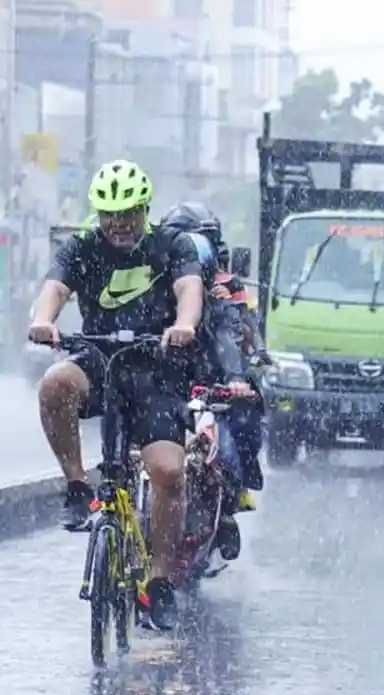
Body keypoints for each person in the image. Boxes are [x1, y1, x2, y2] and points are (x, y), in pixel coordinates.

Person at [29, 160, 206, 630]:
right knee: (54, 384)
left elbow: (190, 288)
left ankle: (162, 581)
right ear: (99, 214)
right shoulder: (82, 248)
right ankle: (76, 487)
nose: (120, 223)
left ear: (144, 209)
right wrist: (44, 320)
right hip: (100, 359)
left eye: (129, 212)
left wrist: (184, 324)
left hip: (155, 368)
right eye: (110, 214)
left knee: (169, 472)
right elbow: (55, 288)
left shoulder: (171, 244)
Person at [159, 203, 262, 533]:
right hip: (161, 382)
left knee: (233, 442)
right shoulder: (150, 290)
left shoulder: (225, 291)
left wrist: (235, 378)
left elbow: (230, 335)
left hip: (212, 384)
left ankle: (229, 504)